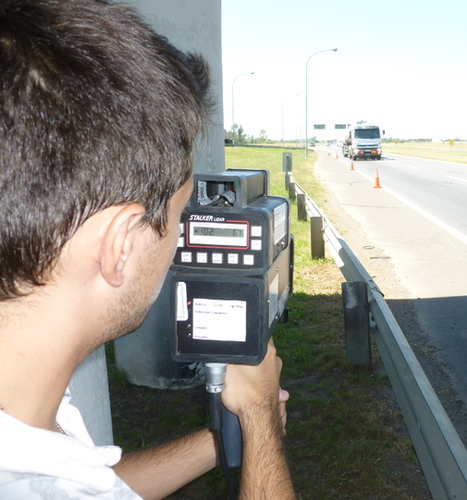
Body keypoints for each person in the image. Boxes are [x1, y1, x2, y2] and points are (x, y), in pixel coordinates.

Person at [0, 0, 295, 498]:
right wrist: (263, 418)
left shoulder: (26, 395)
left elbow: (100, 483)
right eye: (179, 219)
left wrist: (223, 437)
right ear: (119, 245)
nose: (179, 242)